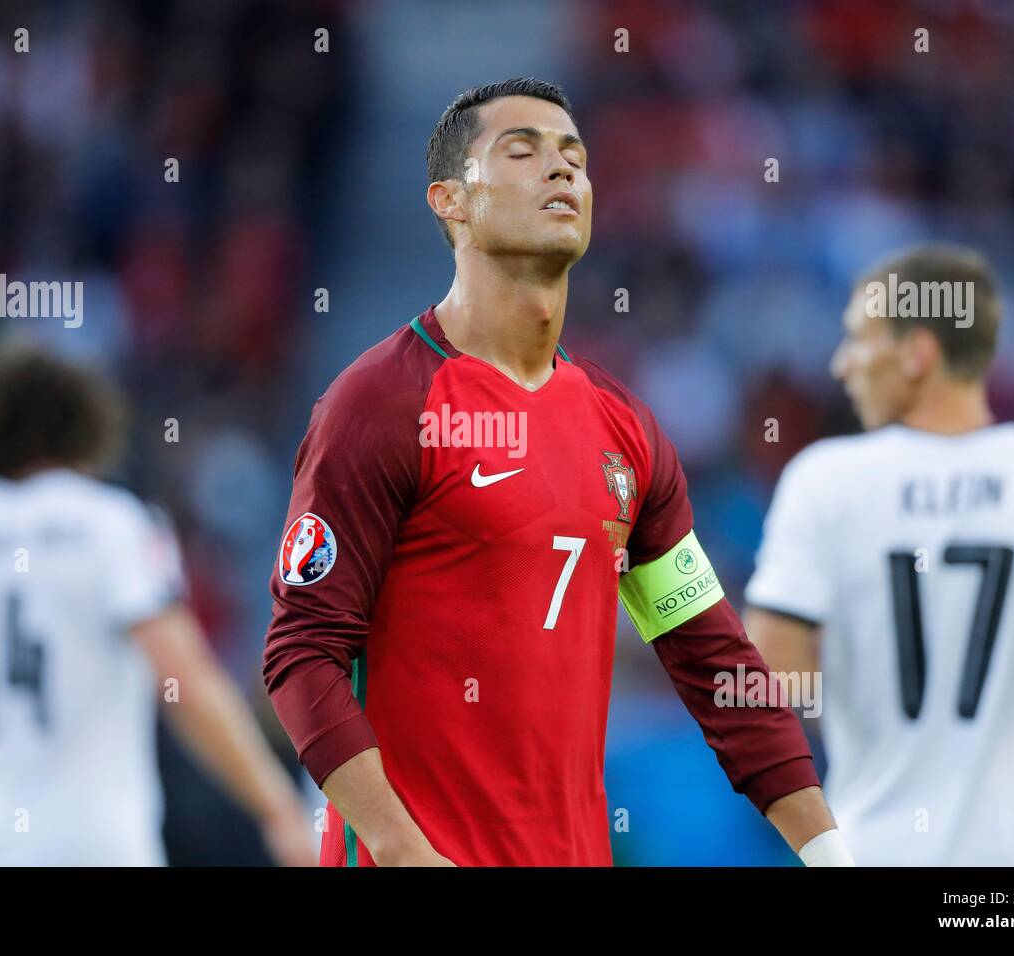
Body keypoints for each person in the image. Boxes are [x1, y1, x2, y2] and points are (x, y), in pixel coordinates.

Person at [263, 77, 850, 866]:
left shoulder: (626, 431)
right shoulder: (380, 403)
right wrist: (403, 850)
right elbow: (301, 653)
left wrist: (832, 854)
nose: (562, 169)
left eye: (574, 156)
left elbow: (715, 664)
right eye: (523, 150)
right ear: (451, 200)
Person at [744, 243, 1014, 865]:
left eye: (858, 340)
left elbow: (767, 680)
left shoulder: (825, 481)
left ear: (918, 353)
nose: (842, 366)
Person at [0, 344, 316, 867]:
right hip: (94, 842)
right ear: (83, 425)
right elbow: (186, 681)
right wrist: (277, 806)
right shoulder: (111, 525)